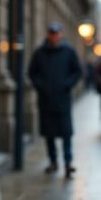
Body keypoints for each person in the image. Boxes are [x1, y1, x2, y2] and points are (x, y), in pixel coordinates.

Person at [28, 22, 82, 177]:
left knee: (66, 133)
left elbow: (77, 71)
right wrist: (40, 86)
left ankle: (68, 163)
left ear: (61, 34)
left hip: (63, 100)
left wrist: (67, 85)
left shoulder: (69, 52)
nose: (54, 35)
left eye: (57, 32)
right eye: (52, 32)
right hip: (45, 100)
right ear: (48, 34)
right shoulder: (39, 53)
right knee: (49, 134)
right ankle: (53, 161)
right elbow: (32, 73)